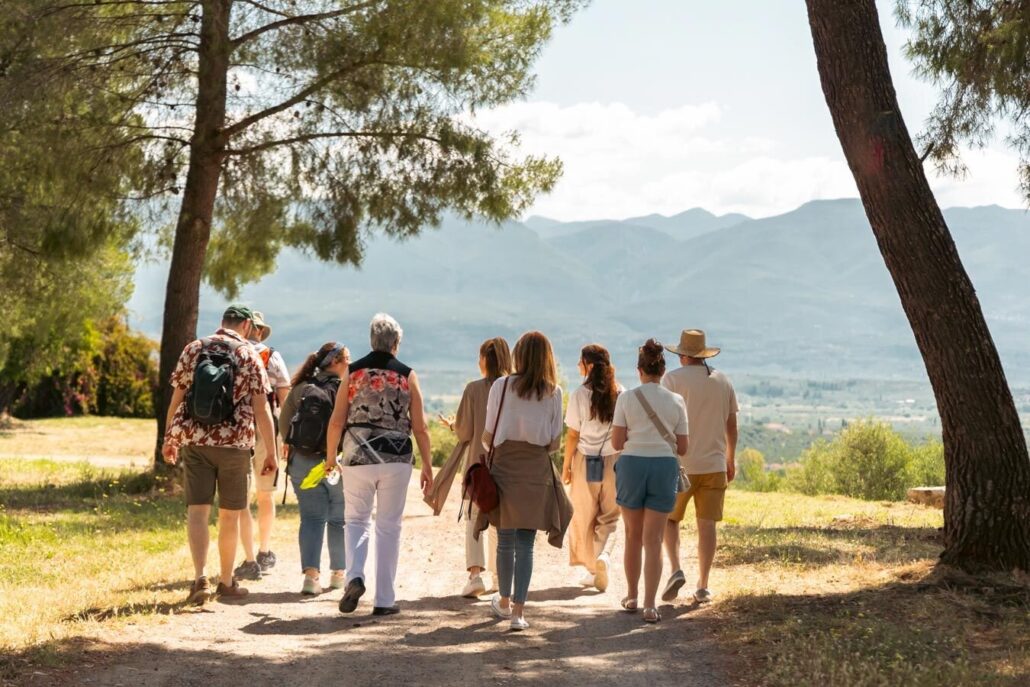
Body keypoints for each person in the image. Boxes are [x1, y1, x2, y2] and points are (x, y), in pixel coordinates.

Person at [162, 304, 277, 604]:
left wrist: (169, 438)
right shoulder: (249, 354)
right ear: (248, 327)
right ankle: (225, 582)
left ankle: (200, 577)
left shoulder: (194, 348)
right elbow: (261, 408)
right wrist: (272, 453)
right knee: (229, 516)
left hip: (196, 442)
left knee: (197, 512)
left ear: (222, 322)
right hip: (235, 447)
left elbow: (176, 397)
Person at [326, 313, 434, 616]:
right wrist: (427, 464)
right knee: (388, 526)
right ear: (396, 343)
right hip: (397, 458)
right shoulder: (407, 375)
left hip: (357, 456)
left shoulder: (353, 371)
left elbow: (337, 419)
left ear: (372, 340)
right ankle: (384, 599)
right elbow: (421, 427)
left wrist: (330, 457)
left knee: (357, 520)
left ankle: (355, 576)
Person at [475, 331, 572, 631]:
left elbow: (488, 435)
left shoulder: (502, 386)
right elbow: (554, 443)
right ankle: (519, 612)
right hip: (536, 469)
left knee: (504, 539)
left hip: (504, 464)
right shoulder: (553, 392)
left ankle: (503, 603)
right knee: (526, 544)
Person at [610, 339, 688, 624]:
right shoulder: (676, 401)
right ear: (662, 370)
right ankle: (650, 604)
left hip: (632, 465)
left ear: (639, 370)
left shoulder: (627, 398)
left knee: (632, 535)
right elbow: (683, 448)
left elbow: (617, 442)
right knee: (653, 539)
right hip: (663, 467)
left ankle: (631, 595)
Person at [659, 329, 738, 605]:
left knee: (670, 519)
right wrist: (730, 458)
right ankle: (703, 585)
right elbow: (732, 425)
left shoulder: (672, 379)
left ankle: (675, 568)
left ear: (682, 355)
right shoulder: (723, 380)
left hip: (680, 464)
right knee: (707, 525)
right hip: (714, 464)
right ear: (702, 354)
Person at [439, 337, 512, 598]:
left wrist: (451, 425)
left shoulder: (473, 389)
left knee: (474, 516)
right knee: (500, 520)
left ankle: (475, 575)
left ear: (485, 360)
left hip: (477, 464)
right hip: (506, 463)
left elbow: (464, 431)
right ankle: (499, 576)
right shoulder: (514, 389)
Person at [279, 341, 350, 595]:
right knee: (339, 520)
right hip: (337, 464)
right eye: (346, 359)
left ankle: (311, 578)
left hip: (302, 462)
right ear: (334, 362)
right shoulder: (346, 389)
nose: (349, 364)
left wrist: (298, 446)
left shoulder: (300, 388)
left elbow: (284, 425)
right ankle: (339, 575)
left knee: (311, 518)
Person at [235, 310, 291, 580]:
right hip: (266, 429)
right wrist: (286, 439)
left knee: (240, 498)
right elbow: (286, 400)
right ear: (258, 330)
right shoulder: (272, 356)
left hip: (233, 430)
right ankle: (264, 551)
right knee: (265, 494)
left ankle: (247, 559)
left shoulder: (232, 353)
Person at [562, 344, 623, 592]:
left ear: (588, 365)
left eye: (580, 361)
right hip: (615, 461)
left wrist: (566, 465)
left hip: (586, 461)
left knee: (583, 517)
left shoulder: (579, 394)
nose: (578, 365)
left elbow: (573, 435)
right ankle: (604, 557)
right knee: (610, 516)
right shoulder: (621, 393)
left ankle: (591, 568)